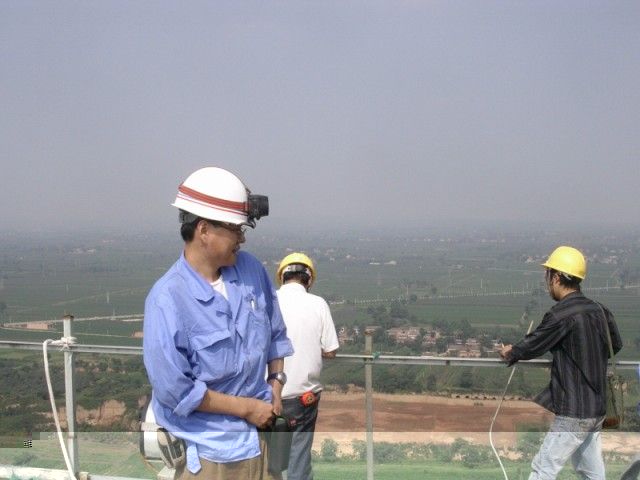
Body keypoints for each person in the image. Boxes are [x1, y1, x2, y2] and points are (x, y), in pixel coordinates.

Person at [143, 166, 294, 480]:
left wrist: (276, 384)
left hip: (261, 443)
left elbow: (276, 335)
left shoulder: (251, 271)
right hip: (209, 456)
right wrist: (246, 409)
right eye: (235, 228)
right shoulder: (167, 299)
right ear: (203, 231)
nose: (241, 237)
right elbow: (177, 391)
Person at [499, 245, 622, 480]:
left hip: (574, 411)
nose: (547, 282)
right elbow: (614, 346)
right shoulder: (599, 310)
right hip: (596, 409)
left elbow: (534, 344)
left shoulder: (561, 314)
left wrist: (510, 352)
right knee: (592, 474)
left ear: (555, 277)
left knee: (543, 469)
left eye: (548, 276)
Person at [272, 252, 339, 480]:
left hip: (268, 395)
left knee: (266, 461)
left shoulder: (268, 300)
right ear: (308, 280)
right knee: (298, 460)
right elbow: (330, 350)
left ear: (282, 277)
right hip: (303, 398)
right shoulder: (318, 304)